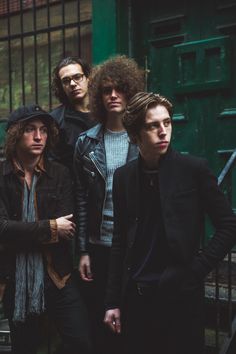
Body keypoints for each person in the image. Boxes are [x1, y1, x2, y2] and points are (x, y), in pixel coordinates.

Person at [104, 92, 236, 354]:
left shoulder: (193, 169)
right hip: (137, 298)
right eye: (153, 126)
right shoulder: (123, 177)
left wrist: (196, 270)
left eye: (167, 122)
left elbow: (228, 225)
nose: (163, 131)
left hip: (180, 296)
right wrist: (112, 301)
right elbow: (119, 240)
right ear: (135, 134)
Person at [0, 104, 91, 354]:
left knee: (81, 342)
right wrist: (51, 227)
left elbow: (68, 228)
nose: (38, 136)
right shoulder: (2, 176)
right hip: (15, 279)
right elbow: (2, 229)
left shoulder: (60, 174)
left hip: (57, 276)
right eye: (30, 130)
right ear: (16, 135)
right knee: (26, 347)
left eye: (43, 130)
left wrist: (20, 232)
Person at [74, 55, 144, 354]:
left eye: (119, 89)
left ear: (130, 91)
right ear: (98, 97)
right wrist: (83, 250)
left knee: (133, 320)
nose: (113, 95)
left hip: (135, 246)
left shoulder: (143, 139)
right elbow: (80, 198)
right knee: (100, 320)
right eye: (106, 90)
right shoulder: (85, 143)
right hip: (99, 246)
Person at [51, 56, 95, 170]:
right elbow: (54, 163)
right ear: (61, 86)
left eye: (77, 77)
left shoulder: (106, 111)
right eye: (66, 81)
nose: (72, 83)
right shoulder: (55, 119)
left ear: (88, 78)